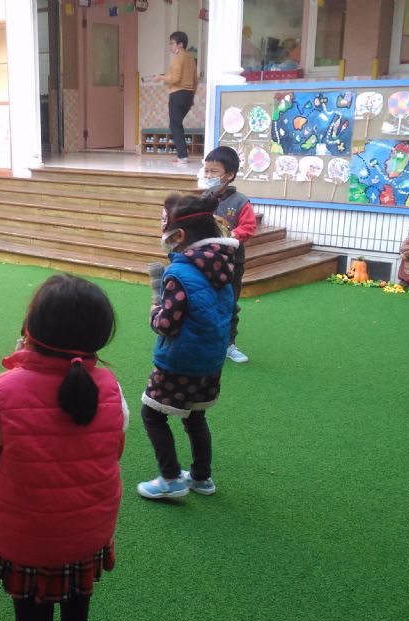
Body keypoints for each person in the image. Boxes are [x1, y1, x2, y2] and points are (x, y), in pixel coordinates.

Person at [0, 274, 128, 621]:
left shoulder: (3, 393)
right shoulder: (111, 389)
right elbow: (114, 450)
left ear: (30, 330)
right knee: (78, 590)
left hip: (27, 541)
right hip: (89, 531)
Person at [136, 193, 237, 499]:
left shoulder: (179, 273)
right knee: (195, 417)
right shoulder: (222, 266)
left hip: (180, 361)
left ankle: (170, 479)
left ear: (179, 236)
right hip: (211, 359)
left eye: (166, 233)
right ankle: (201, 478)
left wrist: (154, 311)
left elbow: (167, 324)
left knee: (152, 414)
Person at [199, 146, 257, 364]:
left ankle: (228, 344)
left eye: (213, 171)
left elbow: (249, 227)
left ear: (229, 175)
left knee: (229, 303)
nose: (208, 176)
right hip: (205, 262)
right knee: (204, 302)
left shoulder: (240, 201)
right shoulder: (203, 198)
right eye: (206, 171)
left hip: (232, 263)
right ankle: (205, 340)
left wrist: (230, 235)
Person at [153, 31, 198, 166]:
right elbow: (195, 81)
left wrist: (160, 77)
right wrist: (192, 97)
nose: (170, 46)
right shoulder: (191, 59)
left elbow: (175, 78)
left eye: (172, 43)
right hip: (188, 94)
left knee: (175, 125)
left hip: (177, 94)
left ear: (180, 44)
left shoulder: (178, 57)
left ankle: (182, 156)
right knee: (177, 124)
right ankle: (183, 154)